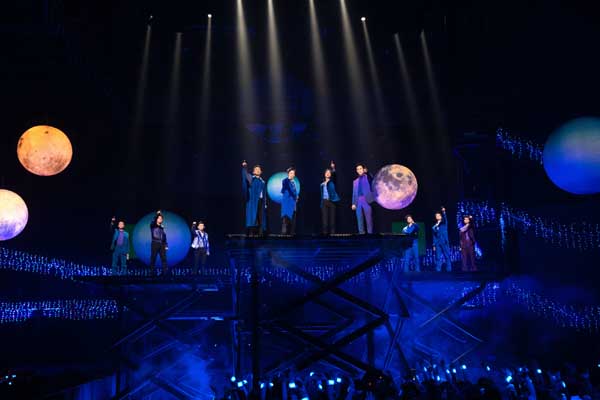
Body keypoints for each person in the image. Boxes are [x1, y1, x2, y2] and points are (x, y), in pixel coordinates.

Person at [241, 160, 268, 236]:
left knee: (261, 217)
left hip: (261, 201)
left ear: (261, 172)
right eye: (256, 169)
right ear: (253, 172)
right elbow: (245, 176)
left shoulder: (262, 182)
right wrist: (244, 167)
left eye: (259, 169)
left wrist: (265, 203)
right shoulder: (251, 179)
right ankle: (251, 234)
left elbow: (264, 194)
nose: (258, 170)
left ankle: (260, 234)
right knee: (253, 217)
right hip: (253, 201)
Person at [351, 163, 374, 234]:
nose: (359, 170)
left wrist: (368, 172)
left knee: (369, 219)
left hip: (366, 199)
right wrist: (353, 203)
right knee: (359, 219)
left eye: (360, 168)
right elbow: (354, 193)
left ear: (363, 169)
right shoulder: (355, 181)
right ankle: (361, 235)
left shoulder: (367, 177)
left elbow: (372, 178)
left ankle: (370, 235)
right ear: (356, 171)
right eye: (358, 169)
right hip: (358, 201)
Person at [320, 161, 340, 235]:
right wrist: (321, 203)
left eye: (329, 172)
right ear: (324, 174)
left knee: (332, 220)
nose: (328, 173)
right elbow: (321, 194)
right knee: (325, 221)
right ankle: (325, 235)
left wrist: (333, 168)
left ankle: (332, 235)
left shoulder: (332, 182)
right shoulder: (322, 184)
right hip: (324, 202)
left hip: (332, 201)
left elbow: (335, 175)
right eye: (326, 172)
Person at [432, 207, 452, 272]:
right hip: (437, 243)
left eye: (438, 215)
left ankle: (449, 269)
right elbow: (434, 236)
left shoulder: (444, 223)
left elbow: (445, 218)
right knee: (438, 256)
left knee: (447, 255)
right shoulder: (434, 226)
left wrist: (444, 212)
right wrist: (434, 245)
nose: (437, 216)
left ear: (441, 216)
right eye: (436, 216)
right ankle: (438, 269)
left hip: (444, 241)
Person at [280, 167, 298, 235]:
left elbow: (294, 191)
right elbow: (289, 190)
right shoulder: (285, 181)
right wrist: (295, 196)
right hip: (287, 202)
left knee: (292, 218)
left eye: (293, 173)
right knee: (285, 218)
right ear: (288, 174)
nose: (292, 174)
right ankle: (284, 234)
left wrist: (296, 197)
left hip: (293, 203)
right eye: (291, 173)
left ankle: (292, 233)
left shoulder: (293, 183)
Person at [150, 210, 168, 275]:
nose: (160, 219)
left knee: (164, 259)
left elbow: (164, 237)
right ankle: (152, 272)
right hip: (155, 243)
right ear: (156, 219)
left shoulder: (162, 228)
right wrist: (158, 214)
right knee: (153, 258)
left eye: (161, 218)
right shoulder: (153, 225)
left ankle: (165, 273)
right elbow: (154, 220)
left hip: (162, 244)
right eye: (159, 218)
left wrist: (166, 245)